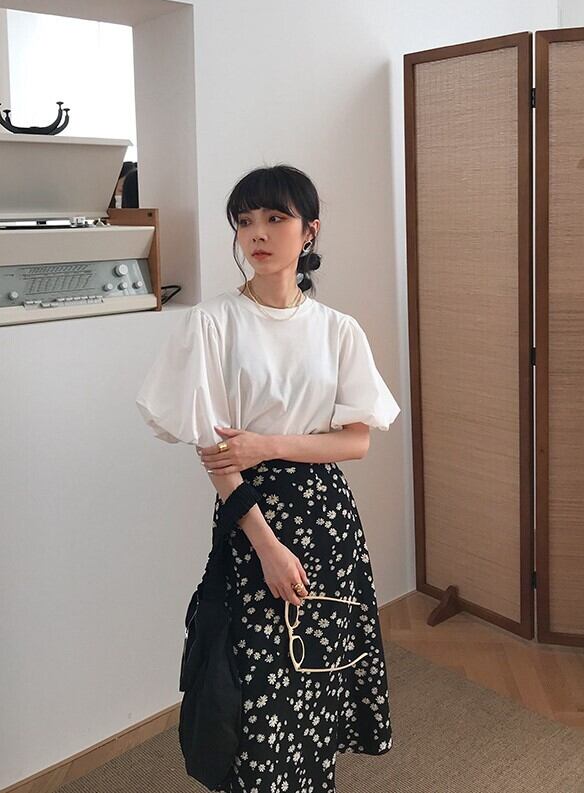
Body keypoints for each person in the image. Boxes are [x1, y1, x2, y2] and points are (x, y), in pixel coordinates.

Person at [135, 164, 400, 792]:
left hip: (328, 516)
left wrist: (268, 444)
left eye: (275, 218)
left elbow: (357, 441)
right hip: (253, 518)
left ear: (309, 232)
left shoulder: (337, 329)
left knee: (320, 672)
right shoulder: (212, 324)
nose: (257, 233)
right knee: (255, 684)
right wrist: (268, 546)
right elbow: (218, 459)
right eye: (245, 221)